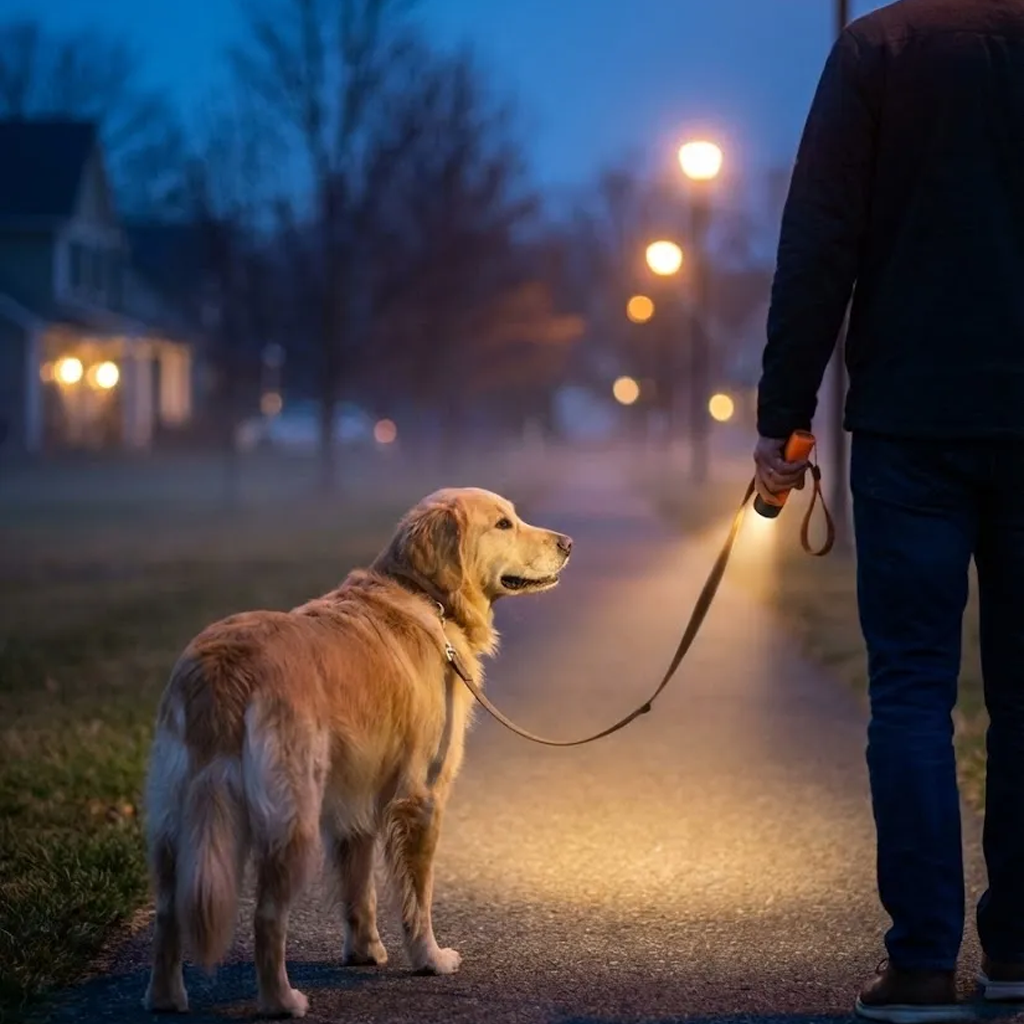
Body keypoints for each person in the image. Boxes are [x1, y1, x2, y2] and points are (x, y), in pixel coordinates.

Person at [754, 0, 1024, 1020]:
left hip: (911, 419)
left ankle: (920, 963)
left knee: (910, 689)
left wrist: (783, 423)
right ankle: (1016, 958)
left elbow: (819, 240)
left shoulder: (877, 48)